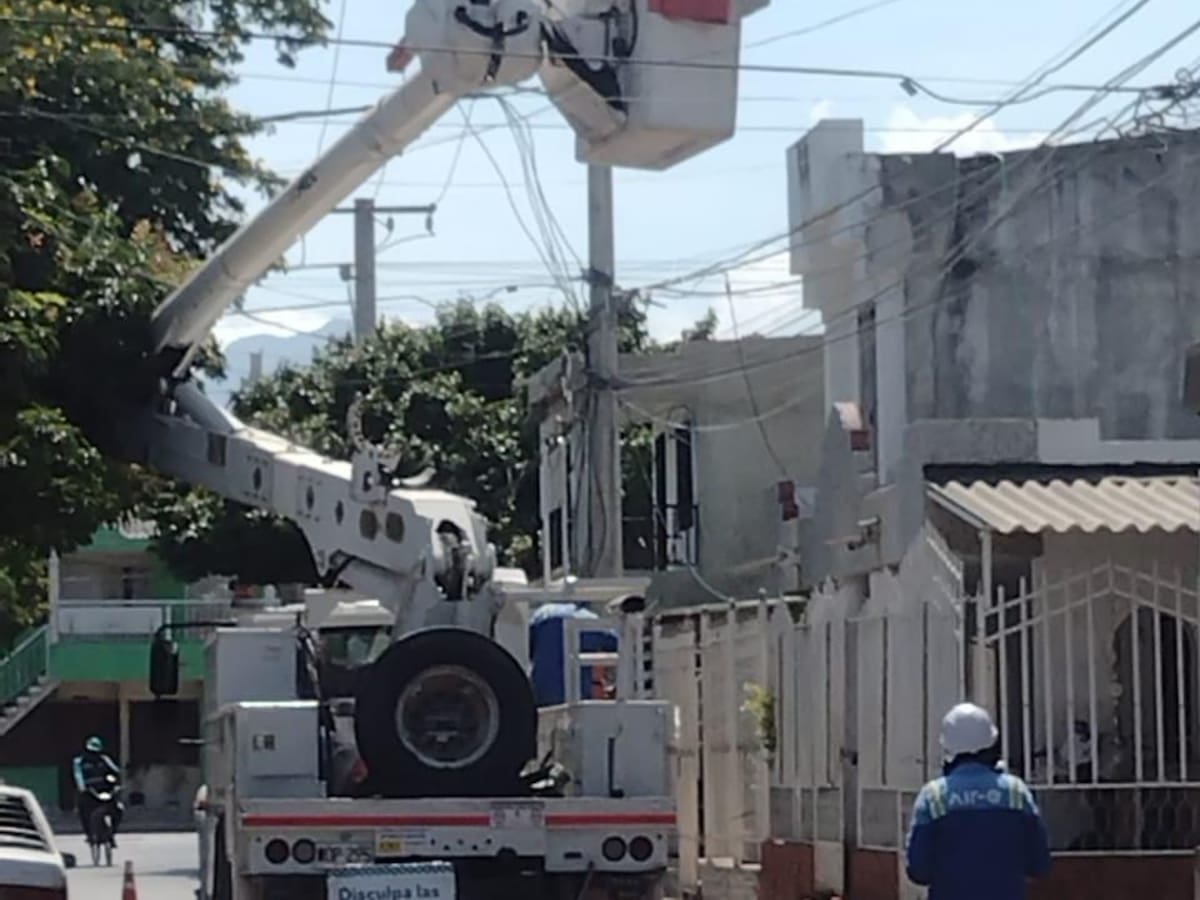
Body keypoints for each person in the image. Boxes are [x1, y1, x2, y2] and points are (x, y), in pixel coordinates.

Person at [905, 703, 1051, 900]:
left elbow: (918, 870)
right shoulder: (1017, 792)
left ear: (948, 748)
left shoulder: (933, 797)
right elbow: (1039, 864)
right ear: (992, 745)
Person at [73, 736, 123, 847]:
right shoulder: (79, 761)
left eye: (95, 751)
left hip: (106, 791)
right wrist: (82, 787)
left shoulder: (104, 759)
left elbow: (115, 771)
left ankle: (111, 833)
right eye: (90, 751)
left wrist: (117, 784)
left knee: (118, 809)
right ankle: (89, 835)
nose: (93, 754)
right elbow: (78, 775)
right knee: (83, 810)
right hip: (89, 792)